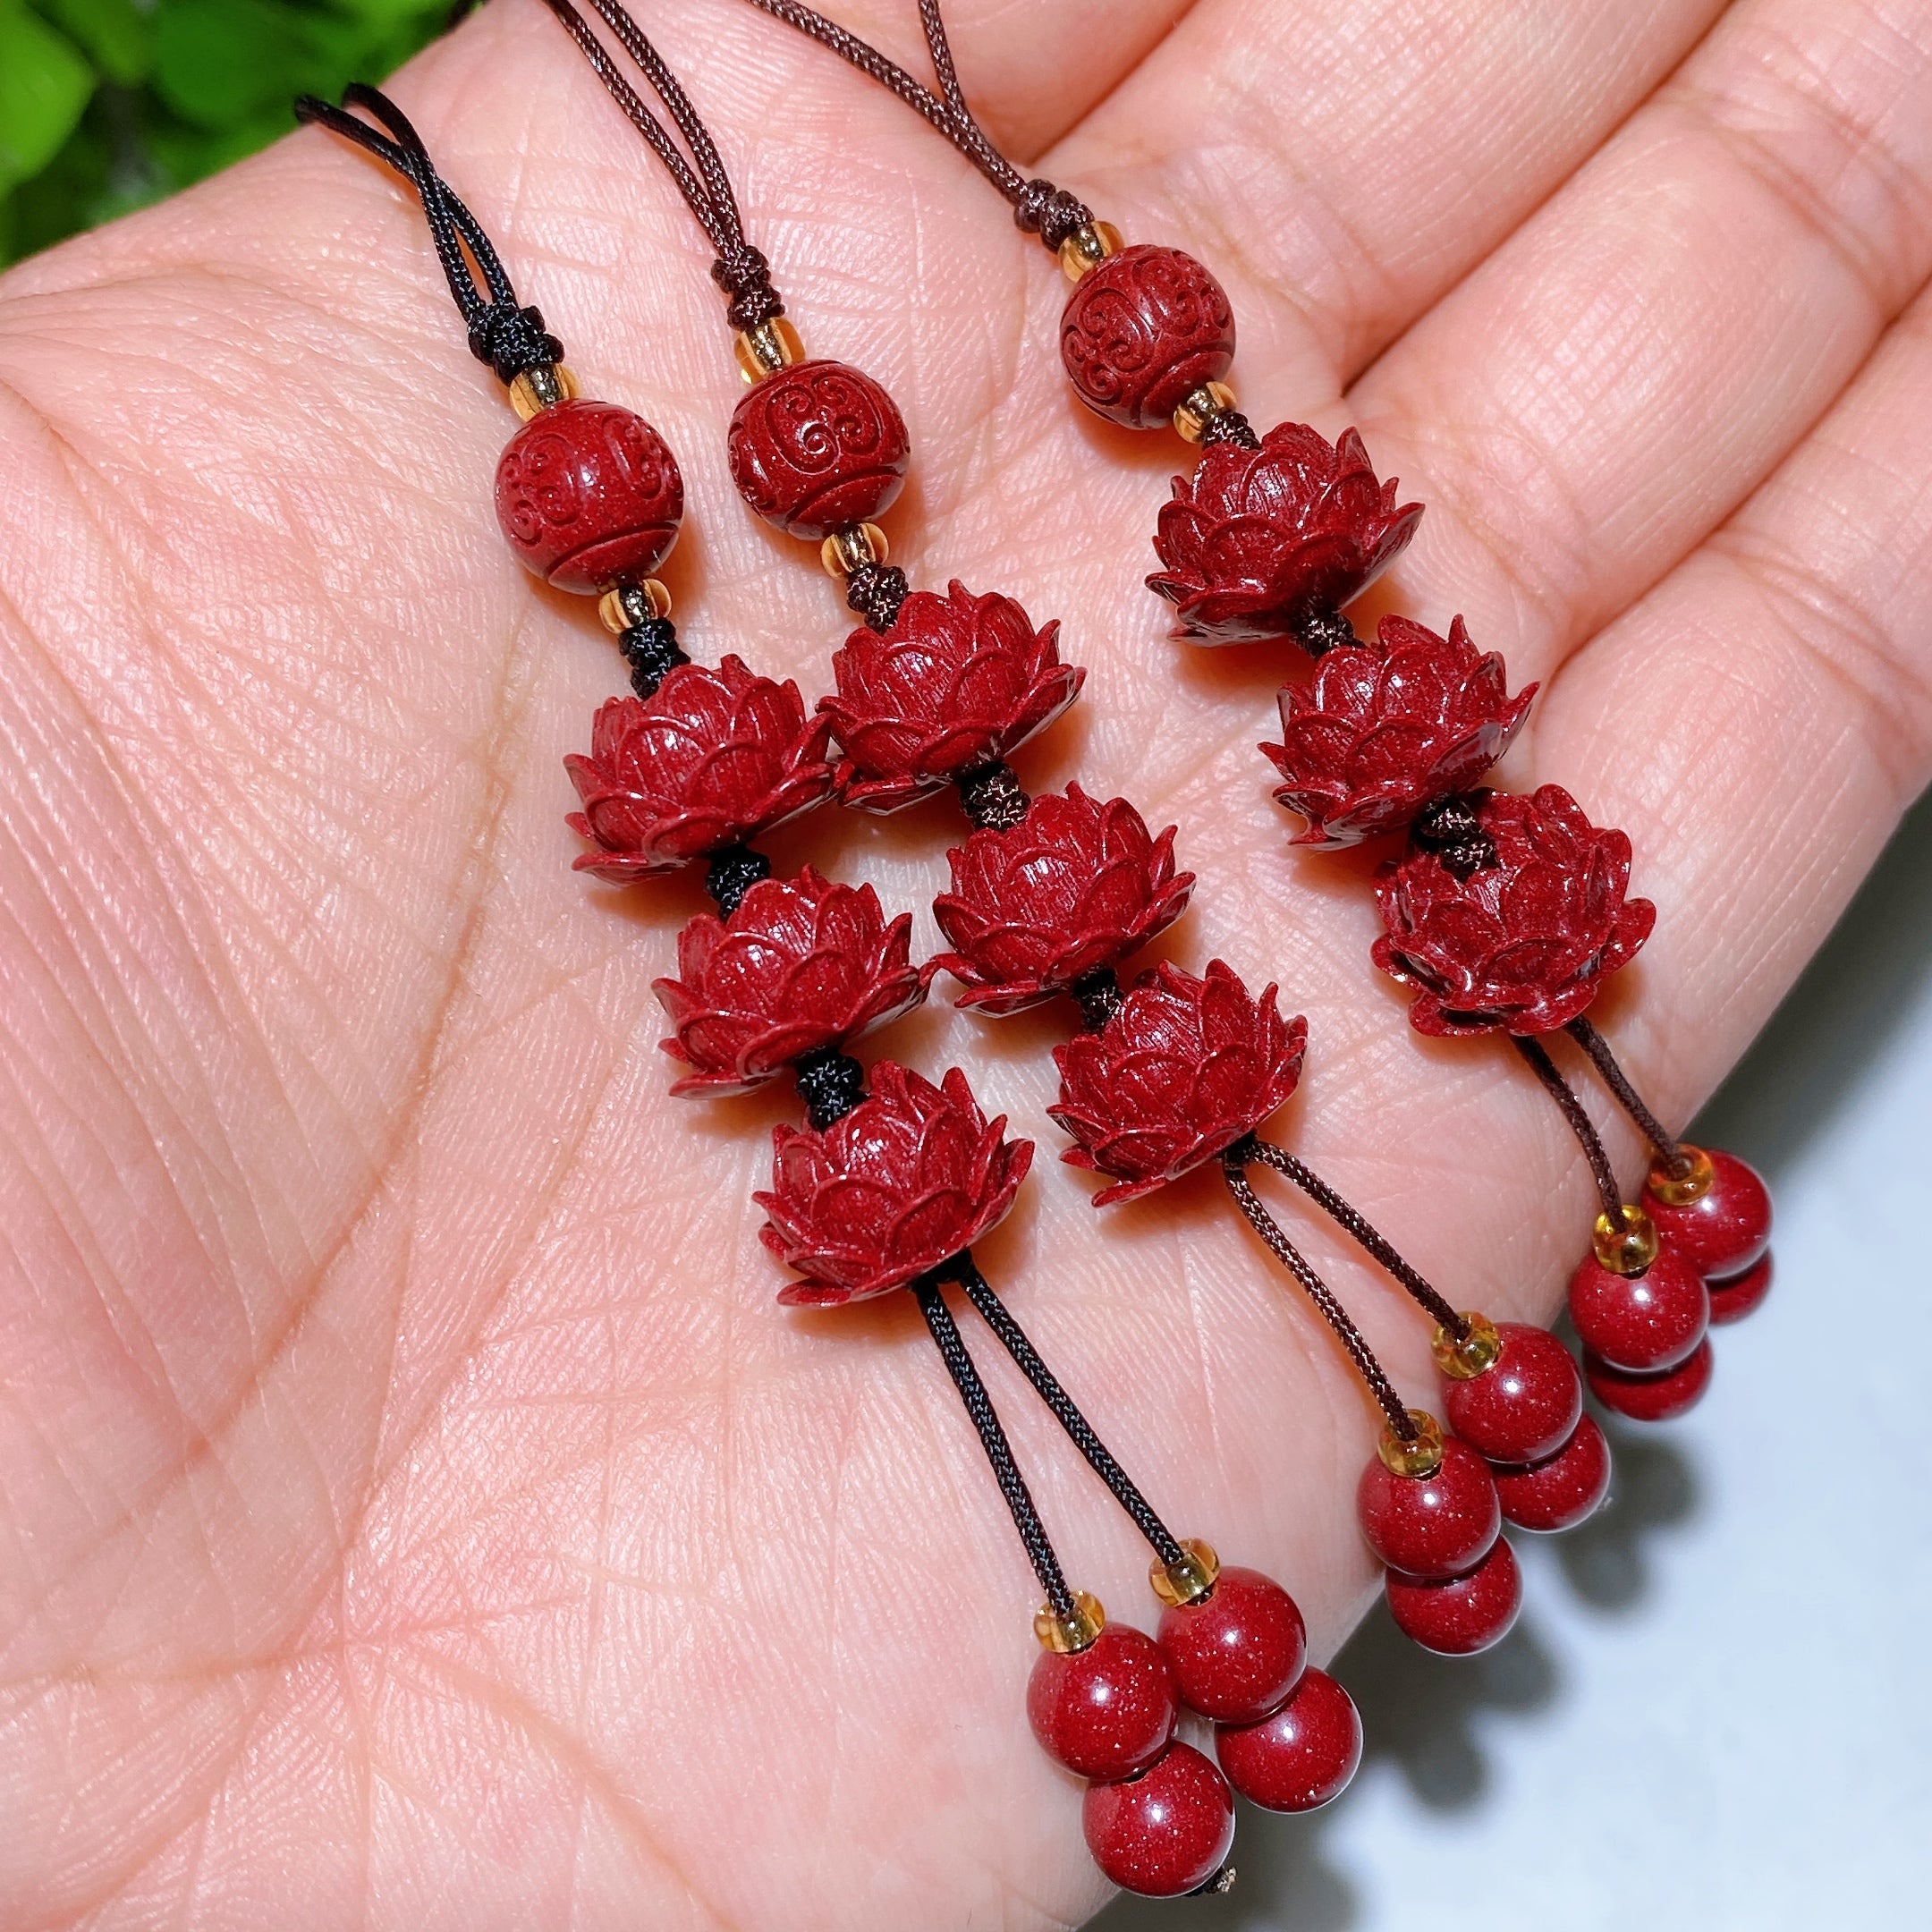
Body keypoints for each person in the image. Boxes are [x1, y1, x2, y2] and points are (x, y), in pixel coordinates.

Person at [1, 0, 1928, 1924]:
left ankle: (1493, 1333)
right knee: (1064, 1263)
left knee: (1233, 1160)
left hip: (1112, 939)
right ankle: (1270, 1518)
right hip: (944, 1019)